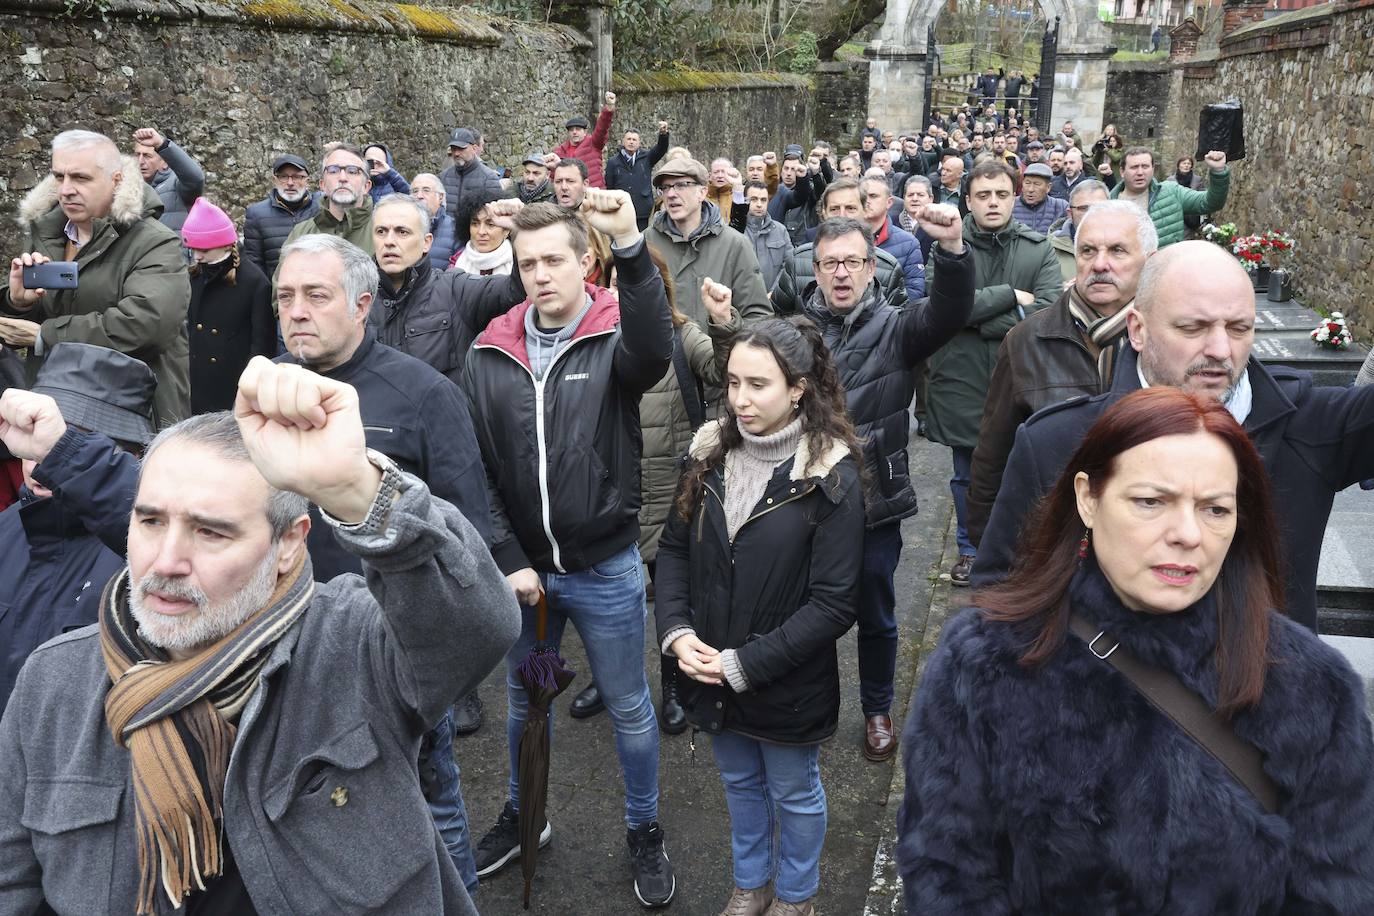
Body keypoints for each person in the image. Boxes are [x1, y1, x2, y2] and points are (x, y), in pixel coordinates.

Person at [0, 358, 520, 915]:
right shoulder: (52, 684)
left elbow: (478, 626)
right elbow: (13, 883)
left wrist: (356, 489)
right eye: (150, 521)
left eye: (211, 531)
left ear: (290, 545)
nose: (166, 561)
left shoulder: (348, 643)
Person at [898, 387, 1374, 913]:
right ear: (1088, 497)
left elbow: (1339, 887)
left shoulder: (1311, 685)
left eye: (1215, 509)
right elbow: (947, 871)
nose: (1188, 534)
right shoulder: (984, 662)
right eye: (1151, 501)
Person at [973, 241, 1374, 632]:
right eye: (1192, 327)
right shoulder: (1057, 443)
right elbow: (1002, 593)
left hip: (1268, 689)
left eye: (1238, 328)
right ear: (1138, 330)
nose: (1220, 349)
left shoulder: (1312, 425)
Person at [462, 193, 678, 907]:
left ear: (586, 262)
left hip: (606, 568)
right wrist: (505, 556)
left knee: (628, 706)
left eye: (555, 259)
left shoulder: (613, 334)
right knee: (530, 706)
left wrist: (631, 249)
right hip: (529, 581)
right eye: (527, 264)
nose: (540, 275)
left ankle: (643, 827)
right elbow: (481, 473)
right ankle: (528, 816)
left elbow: (653, 352)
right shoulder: (491, 351)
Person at [275, 229, 496, 889]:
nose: (297, 311)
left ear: (363, 303)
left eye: (316, 295)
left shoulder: (425, 395)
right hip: (282, 647)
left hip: (390, 654)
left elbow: (465, 540)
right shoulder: (264, 394)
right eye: (286, 296)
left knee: (430, 807)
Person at [654, 316, 865, 916]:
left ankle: (796, 898)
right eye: (732, 383)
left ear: (798, 387)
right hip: (710, 672)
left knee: (795, 792)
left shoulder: (829, 473)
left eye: (759, 385)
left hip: (786, 683)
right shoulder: (708, 452)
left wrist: (743, 664)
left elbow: (833, 603)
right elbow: (673, 549)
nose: (740, 400)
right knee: (741, 785)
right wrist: (676, 632)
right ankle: (751, 884)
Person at [799, 212, 973, 762]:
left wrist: (951, 250)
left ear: (873, 268)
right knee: (808, 611)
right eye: (831, 264)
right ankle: (814, 703)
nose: (842, 274)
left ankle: (877, 708)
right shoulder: (797, 332)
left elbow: (949, 311)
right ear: (817, 271)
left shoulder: (899, 327)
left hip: (876, 498)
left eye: (853, 262)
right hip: (809, 501)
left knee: (876, 610)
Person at [968, 200, 1156, 547]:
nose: (1100, 264)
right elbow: (993, 456)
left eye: (1117, 251)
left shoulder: (1167, 342)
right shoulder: (1026, 340)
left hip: (1146, 542)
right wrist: (986, 547)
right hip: (1050, 544)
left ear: (1149, 259)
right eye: (1087, 251)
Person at [924, 159, 1061, 587]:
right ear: (968, 201)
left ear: (1014, 196)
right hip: (962, 380)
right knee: (967, 474)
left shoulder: (1038, 249)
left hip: (1022, 378)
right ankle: (970, 548)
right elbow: (947, 306)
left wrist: (982, 318)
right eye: (983, 195)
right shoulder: (946, 246)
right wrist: (1009, 297)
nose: (993, 202)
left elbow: (1049, 311)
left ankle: (1017, 547)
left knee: (1021, 471)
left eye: (1001, 194)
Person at [0, 345, 154, 713]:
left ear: (128, 455)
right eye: (32, 431)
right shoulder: (6, 529)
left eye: (67, 440)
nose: (40, 459)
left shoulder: (147, 554)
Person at [2, 130, 190, 427]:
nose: (65, 190)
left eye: (80, 178)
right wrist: (19, 302)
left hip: (128, 421)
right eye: (59, 177)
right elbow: (53, 308)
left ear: (116, 180)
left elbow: (145, 326)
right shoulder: (49, 234)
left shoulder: (155, 242)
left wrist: (44, 336)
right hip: (53, 410)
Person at [635, 258, 741, 736]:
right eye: (620, 283)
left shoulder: (682, 335)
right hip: (610, 491)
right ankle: (611, 680)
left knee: (671, 595)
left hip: (668, 489)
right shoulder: (593, 336)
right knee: (600, 601)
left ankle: (673, 686)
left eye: (640, 283)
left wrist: (722, 322)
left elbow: (723, 373)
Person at [646, 157, 772, 329]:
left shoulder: (734, 244)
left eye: (681, 185)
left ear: (702, 192)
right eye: (665, 187)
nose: (671, 194)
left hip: (718, 353)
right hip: (660, 354)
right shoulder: (647, 242)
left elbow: (758, 318)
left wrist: (726, 324)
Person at [181, 199, 275, 414]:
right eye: (193, 249)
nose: (197, 256)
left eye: (203, 249)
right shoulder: (196, 275)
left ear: (224, 243)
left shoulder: (255, 282)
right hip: (196, 383)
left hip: (233, 386)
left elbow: (262, 348)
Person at [770, 178, 909, 316]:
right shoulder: (797, 261)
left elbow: (898, 327)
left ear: (865, 211)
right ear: (824, 213)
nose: (842, 215)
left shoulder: (888, 268)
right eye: (834, 209)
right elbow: (777, 320)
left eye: (850, 208)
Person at [1110, 147, 1230, 247]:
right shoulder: (1108, 204)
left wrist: (1218, 171)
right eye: (1134, 167)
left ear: (1153, 169)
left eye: (1145, 166)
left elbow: (1210, 202)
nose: (1140, 172)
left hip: (1164, 270)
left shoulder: (1171, 191)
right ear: (1122, 171)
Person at [283, 143, 375, 254]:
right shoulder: (301, 233)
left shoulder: (385, 231)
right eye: (333, 170)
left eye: (352, 171)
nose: (342, 178)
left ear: (366, 186)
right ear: (322, 185)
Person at [243, 154, 321, 278]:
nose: (290, 183)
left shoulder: (322, 207)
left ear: (307, 180)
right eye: (283, 177)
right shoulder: (256, 214)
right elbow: (254, 264)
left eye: (297, 177)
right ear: (275, 180)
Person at [858, 176, 926, 301]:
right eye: (862, 196)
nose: (866, 201)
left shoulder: (909, 244)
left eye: (873, 196)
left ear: (889, 202)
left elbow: (914, 292)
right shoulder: (842, 239)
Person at [132, 126, 204, 233]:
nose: (140, 161)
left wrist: (162, 145)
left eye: (147, 156)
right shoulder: (128, 188)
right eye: (137, 155)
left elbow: (196, 178)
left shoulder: (177, 184)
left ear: (165, 162)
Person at [606, 122, 671, 231]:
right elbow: (609, 186)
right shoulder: (613, 162)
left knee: (641, 240)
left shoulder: (647, 158)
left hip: (642, 210)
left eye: (634, 140)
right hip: (621, 209)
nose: (631, 142)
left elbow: (661, 149)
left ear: (639, 143)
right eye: (629, 139)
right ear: (623, 141)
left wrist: (663, 134)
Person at [1050, 179, 1111, 279]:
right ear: (1070, 214)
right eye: (1084, 208)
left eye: (1099, 207)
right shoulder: (1049, 249)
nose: (1092, 214)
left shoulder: (1123, 246)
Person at [440, 127, 504, 221]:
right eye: (454, 149)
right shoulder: (444, 177)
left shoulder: (489, 178)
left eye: (461, 148)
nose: (456, 153)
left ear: (474, 148)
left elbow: (495, 215)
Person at [556, 92, 616, 189]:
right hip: (571, 195)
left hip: (595, 194)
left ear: (585, 132)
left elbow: (602, 128)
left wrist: (608, 109)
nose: (574, 132)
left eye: (578, 129)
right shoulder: (560, 151)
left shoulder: (594, 143)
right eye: (571, 130)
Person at [452, 189, 515, 277]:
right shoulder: (456, 261)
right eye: (475, 224)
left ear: (506, 230)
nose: (481, 232)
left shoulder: (519, 263)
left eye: (490, 224)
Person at [742, 180, 792, 290]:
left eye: (763, 200)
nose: (759, 204)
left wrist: (774, 292)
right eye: (754, 199)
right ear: (744, 200)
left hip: (774, 301)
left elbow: (788, 265)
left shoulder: (780, 230)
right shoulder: (736, 231)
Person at [411, 171, 459, 269]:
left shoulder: (455, 229)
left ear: (440, 197)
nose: (419, 196)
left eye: (426, 190)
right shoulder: (401, 226)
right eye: (415, 191)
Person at [1010, 162, 1068, 234]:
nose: (1030, 189)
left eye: (1037, 184)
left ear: (1048, 187)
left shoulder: (1060, 207)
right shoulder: (1010, 205)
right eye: (1027, 183)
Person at [892, 176, 936, 261]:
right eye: (910, 195)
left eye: (920, 195)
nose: (915, 199)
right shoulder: (891, 223)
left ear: (931, 199)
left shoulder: (936, 225)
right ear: (904, 197)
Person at [1170, 155, 1206, 231]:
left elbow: (1202, 196)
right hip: (1175, 214)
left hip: (1191, 214)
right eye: (1184, 163)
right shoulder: (1170, 180)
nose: (1186, 165)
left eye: (1188, 163)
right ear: (1179, 165)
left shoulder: (1197, 180)